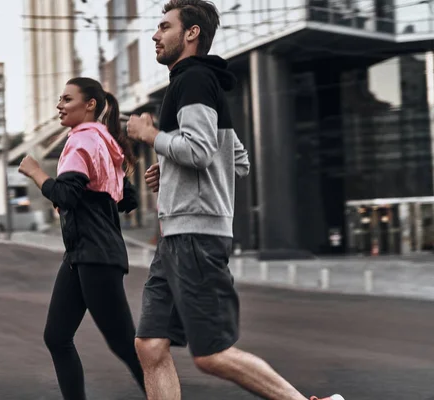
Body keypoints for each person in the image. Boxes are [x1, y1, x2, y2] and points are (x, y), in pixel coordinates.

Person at [125, 1, 344, 400]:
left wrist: (150, 136)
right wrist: (170, 170)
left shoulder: (192, 81)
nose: (155, 35)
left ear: (191, 33)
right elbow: (235, 159)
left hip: (196, 236)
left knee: (212, 354)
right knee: (150, 346)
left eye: (164, 26)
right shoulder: (191, 83)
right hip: (176, 236)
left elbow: (201, 151)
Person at [18, 77, 146, 399]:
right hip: (82, 254)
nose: (59, 105)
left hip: (96, 255)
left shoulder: (82, 141)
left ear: (90, 104)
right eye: (59, 99)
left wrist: (36, 171)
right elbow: (125, 199)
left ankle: (165, 394)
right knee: (57, 337)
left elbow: (66, 195)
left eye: (66, 99)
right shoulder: (106, 142)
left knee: (126, 346)